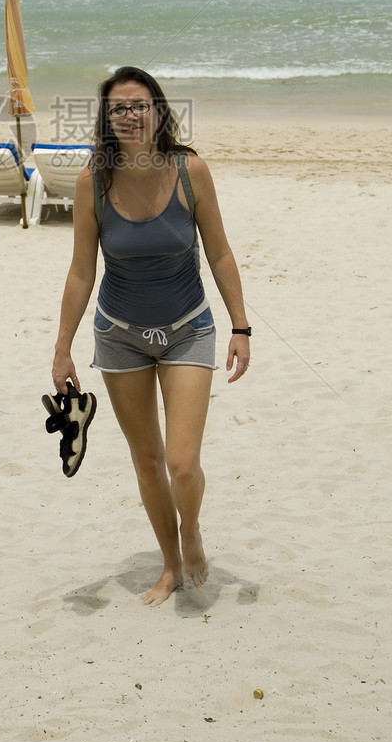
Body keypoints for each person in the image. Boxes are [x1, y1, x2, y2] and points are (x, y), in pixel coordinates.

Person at [51, 65, 251, 607]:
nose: (130, 115)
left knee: (182, 464)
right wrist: (62, 348)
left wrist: (240, 325)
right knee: (147, 461)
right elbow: (80, 272)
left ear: (159, 111)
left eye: (139, 105)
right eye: (118, 108)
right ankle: (169, 564)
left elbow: (221, 253)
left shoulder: (191, 171)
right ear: (106, 119)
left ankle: (192, 531)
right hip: (119, 336)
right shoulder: (94, 181)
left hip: (188, 329)